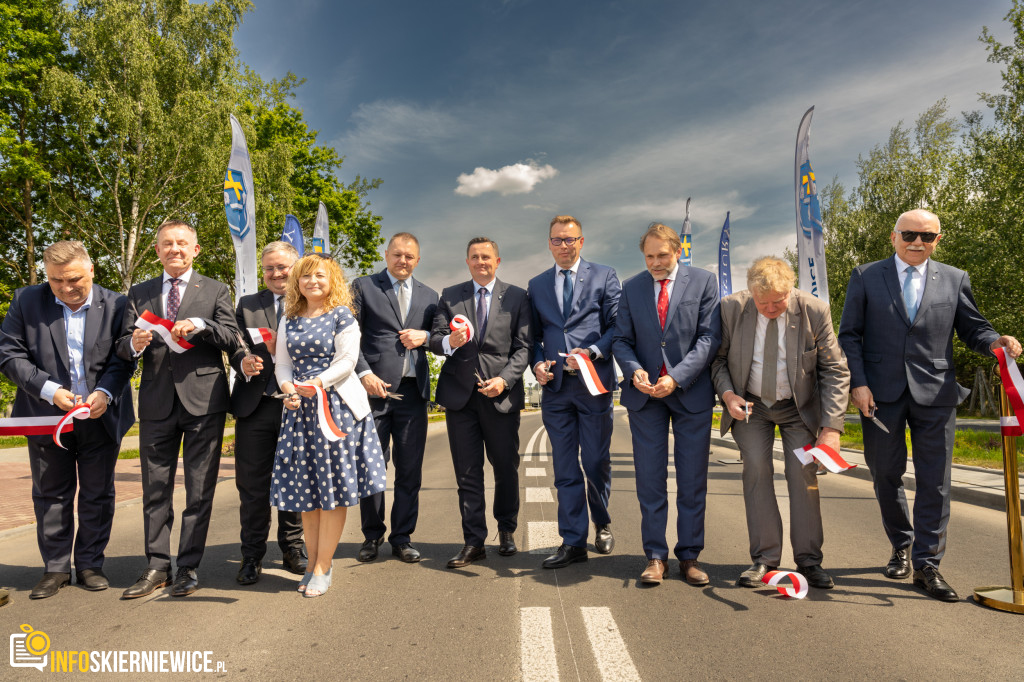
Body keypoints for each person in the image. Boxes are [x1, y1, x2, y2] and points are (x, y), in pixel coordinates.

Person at [838, 208, 1021, 602]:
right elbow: (849, 335)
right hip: (880, 395)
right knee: (885, 473)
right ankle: (901, 544)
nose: (917, 242)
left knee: (935, 480)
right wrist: (859, 383)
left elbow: (974, 327)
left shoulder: (954, 279)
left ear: (938, 239)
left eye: (926, 236)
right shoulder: (866, 276)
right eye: (909, 234)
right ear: (893, 237)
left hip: (936, 392)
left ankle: (927, 564)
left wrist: (996, 342)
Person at [0, 241, 134, 599]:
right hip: (45, 415)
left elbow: (123, 358)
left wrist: (104, 393)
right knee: (50, 494)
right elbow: (9, 353)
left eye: (74, 279)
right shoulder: (26, 300)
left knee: (97, 493)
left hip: (100, 414)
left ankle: (90, 563)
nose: (65, 288)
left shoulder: (120, 304)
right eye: (56, 281)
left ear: (92, 270)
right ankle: (56, 567)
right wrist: (47, 389)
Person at [117, 220, 240, 599]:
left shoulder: (217, 290)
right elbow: (121, 347)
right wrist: (134, 343)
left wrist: (202, 324)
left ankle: (187, 566)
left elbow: (231, 337)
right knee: (155, 490)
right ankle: (157, 566)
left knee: (199, 491)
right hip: (156, 403)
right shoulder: (138, 293)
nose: (175, 249)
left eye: (182, 243)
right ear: (157, 251)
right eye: (167, 244)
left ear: (195, 249)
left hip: (204, 402)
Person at [711, 257, 850, 590]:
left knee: (802, 474)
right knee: (756, 470)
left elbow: (834, 370)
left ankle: (809, 561)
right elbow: (717, 361)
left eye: (779, 301)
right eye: (763, 303)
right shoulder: (731, 309)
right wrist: (729, 396)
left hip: (797, 409)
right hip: (751, 406)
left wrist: (831, 430)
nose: (771, 308)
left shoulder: (814, 310)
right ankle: (764, 559)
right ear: (750, 294)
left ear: (791, 289)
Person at [271, 254, 387, 598]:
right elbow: (282, 364)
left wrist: (315, 384)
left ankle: (323, 565)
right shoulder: (288, 318)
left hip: (335, 408)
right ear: (297, 283)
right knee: (307, 494)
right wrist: (289, 390)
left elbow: (347, 362)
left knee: (332, 492)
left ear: (331, 279)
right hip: (300, 412)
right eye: (305, 277)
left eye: (319, 275)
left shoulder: (343, 316)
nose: (312, 282)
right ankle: (311, 565)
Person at [612, 223, 721, 586]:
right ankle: (655, 556)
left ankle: (689, 556)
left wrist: (675, 376)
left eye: (662, 255)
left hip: (690, 393)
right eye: (649, 256)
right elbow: (621, 340)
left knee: (692, 480)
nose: (655, 263)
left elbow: (708, 338)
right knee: (649, 480)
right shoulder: (631, 288)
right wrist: (634, 371)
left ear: (677, 251)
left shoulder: (704, 282)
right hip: (645, 399)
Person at [429, 237, 531, 568]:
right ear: (468, 261)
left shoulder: (517, 297)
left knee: (505, 467)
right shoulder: (450, 295)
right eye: (474, 257)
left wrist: (505, 379)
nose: (480, 262)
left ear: (497, 261)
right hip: (461, 399)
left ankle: (506, 530)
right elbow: (434, 339)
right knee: (468, 473)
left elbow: (523, 346)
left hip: (501, 395)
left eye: (486, 257)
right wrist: (449, 341)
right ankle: (474, 542)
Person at [527, 215, 620, 569]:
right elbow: (533, 337)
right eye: (557, 240)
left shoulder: (605, 276)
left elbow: (616, 326)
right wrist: (537, 365)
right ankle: (573, 541)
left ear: (582, 241)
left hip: (593, 385)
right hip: (556, 389)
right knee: (565, 467)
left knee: (595, 462)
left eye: (570, 240)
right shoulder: (536, 285)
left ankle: (603, 521)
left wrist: (594, 352)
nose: (564, 246)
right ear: (549, 244)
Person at [351, 233, 439, 564]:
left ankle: (402, 537)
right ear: (386, 254)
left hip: (412, 396)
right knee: (372, 468)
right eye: (397, 254)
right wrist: (363, 374)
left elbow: (442, 337)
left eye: (410, 257)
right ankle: (372, 536)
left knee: (409, 469)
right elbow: (349, 336)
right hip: (373, 393)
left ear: (418, 260)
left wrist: (427, 336)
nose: (403, 261)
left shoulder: (431, 296)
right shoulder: (363, 286)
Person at [229, 241, 307, 585]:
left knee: (293, 480)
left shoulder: (313, 300)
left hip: (298, 405)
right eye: (270, 268)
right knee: (252, 486)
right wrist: (243, 362)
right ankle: (251, 555)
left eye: (283, 267)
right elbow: (235, 345)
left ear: (297, 267)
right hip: (255, 404)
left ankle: (292, 548)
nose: (277, 274)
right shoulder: (247, 305)